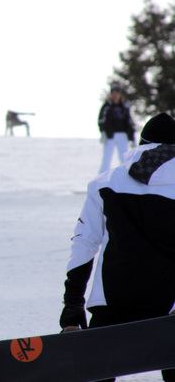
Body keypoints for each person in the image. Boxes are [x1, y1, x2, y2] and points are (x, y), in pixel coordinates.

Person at [59, 113, 175, 382]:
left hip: (112, 304)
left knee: (98, 372)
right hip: (168, 308)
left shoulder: (104, 182)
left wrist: (72, 306)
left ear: (141, 144)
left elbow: (84, 245)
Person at [98, 85, 135, 173]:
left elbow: (129, 122)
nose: (115, 95)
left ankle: (125, 176)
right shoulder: (107, 106)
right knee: (107, 158)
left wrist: (132, 138)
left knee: (124, 158)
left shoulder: (124, 107)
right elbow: (101, 120)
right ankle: (102, 178)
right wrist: (103, 132)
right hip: (110, 135)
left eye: (117, 93)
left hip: (123, 134)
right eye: (113, 93)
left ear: (120, 95)